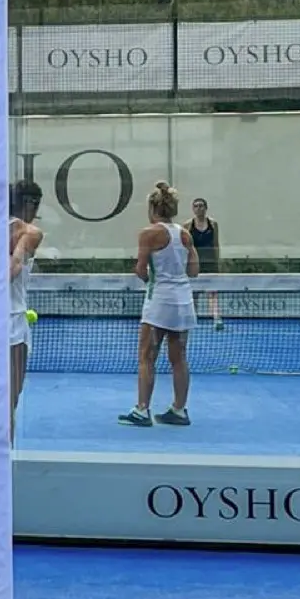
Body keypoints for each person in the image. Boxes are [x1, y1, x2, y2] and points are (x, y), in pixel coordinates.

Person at [119, 181, 198, 428]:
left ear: (152, 207)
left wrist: (152, 278)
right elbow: (194, 270)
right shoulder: (185, 234)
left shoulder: (148, 233)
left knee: (146, 356)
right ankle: (179, 410)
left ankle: (142, 410)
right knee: (179, 357)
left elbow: (141, 269)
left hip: (159, 302)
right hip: (183, 301)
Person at [8, 180, 44, 446]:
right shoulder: (30, 232)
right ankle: (3, 458)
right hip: (11, 323)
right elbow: (16, 267)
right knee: (10, 398)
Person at [184, 197, 222, 329]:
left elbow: (216, 244)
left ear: (206, 208)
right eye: (196, 206)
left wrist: (217, 262)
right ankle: (192, 319)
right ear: (193, 209)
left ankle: (217, 319)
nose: (199, 208)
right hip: (194, 264)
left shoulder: (213, 224)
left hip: (210, 263)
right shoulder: (188, 225)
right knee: (194, 293)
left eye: (201, 206)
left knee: (213, 292)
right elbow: (186, 246)